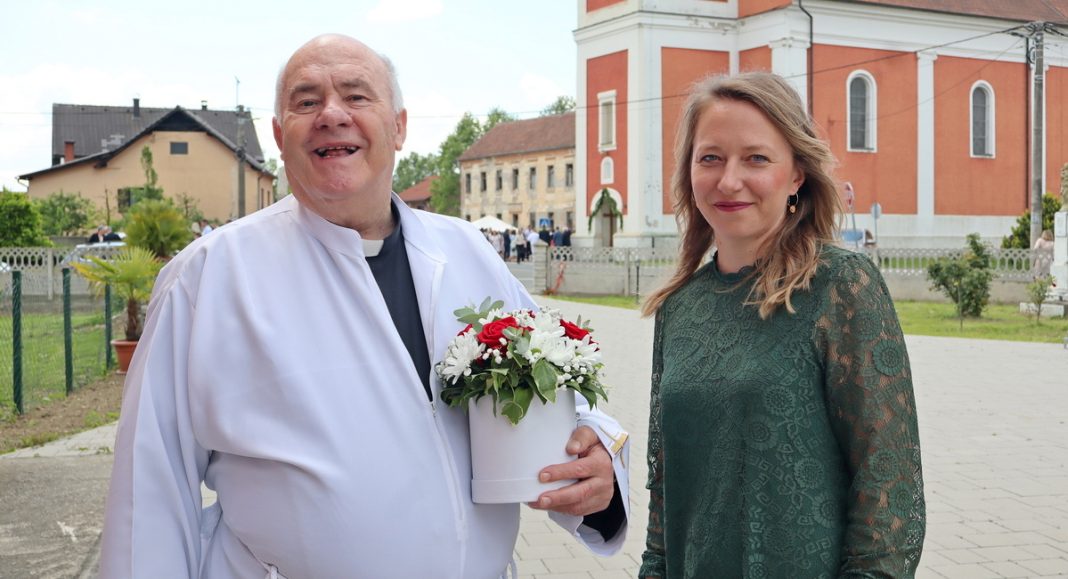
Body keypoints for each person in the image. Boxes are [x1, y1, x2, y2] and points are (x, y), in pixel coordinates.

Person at [98, 34, 629, 579]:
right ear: (281, 136)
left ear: (399, 127)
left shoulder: (470, 253)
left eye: (356, 96)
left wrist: (598, 465)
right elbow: (150, 486)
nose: (332, 114)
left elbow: (555, 391)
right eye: (307, 102)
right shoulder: (208, 278)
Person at [638, 72, 925, 578]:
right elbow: (666, 486)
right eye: (710, 158)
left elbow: (889, 481)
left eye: (756, 158)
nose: (729, 180)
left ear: (796, 174)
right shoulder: (680, 305)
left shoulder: (841, 287)